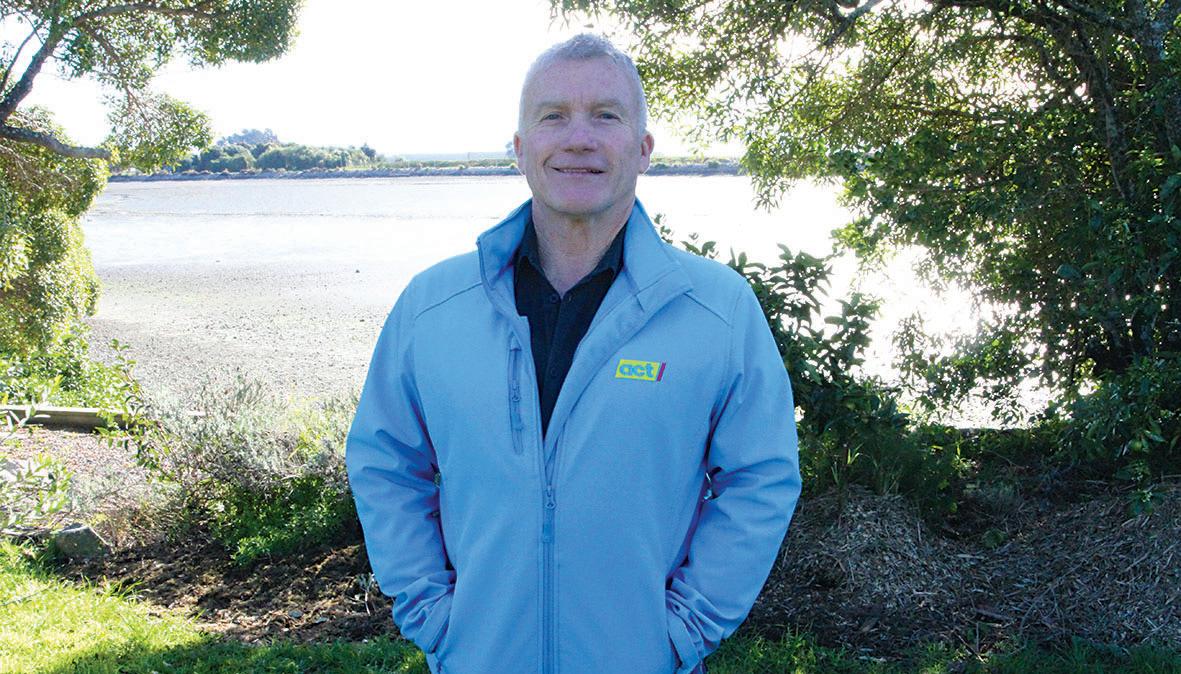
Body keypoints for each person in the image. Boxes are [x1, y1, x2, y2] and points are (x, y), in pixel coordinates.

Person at [346, 33, 801, 674]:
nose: (578, 138)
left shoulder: (717, 311)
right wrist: (434, 616)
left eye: (606, 115)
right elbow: (386, 462)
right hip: (479, 658)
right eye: (553, 115)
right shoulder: (432, 306)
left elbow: (760, 478)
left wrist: (683, 630)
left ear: (643, 149)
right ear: (520, 148)